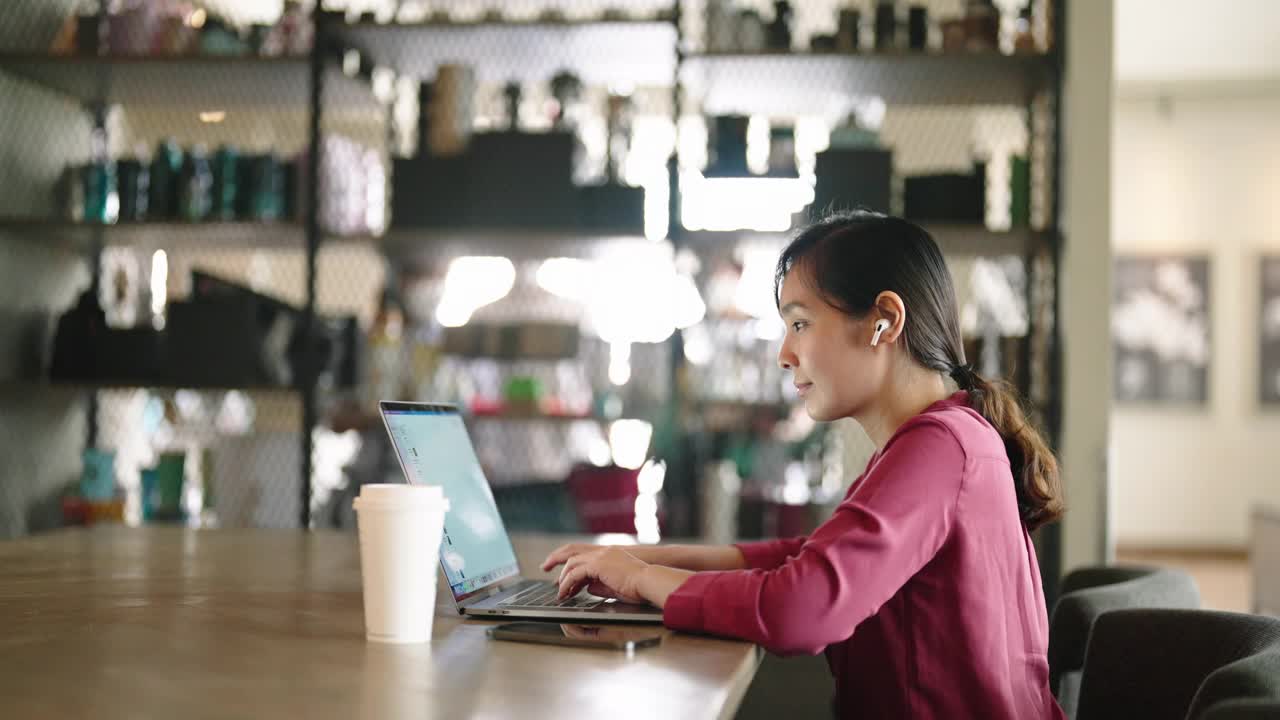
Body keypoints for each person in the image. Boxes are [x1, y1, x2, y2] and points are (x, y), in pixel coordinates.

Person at [542, 211, 1067, 719]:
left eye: (800, 323)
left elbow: (800, 608)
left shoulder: (938, 449)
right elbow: (805, 557)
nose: (784, 354)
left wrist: (642, 578)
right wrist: (639, 560)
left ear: (884, 322)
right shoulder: (945, 438)